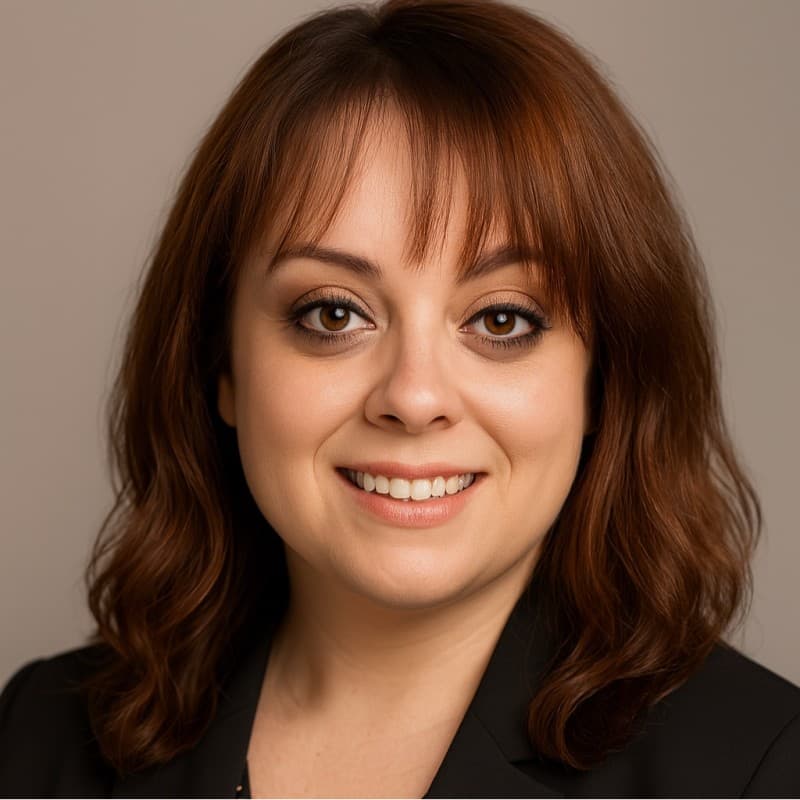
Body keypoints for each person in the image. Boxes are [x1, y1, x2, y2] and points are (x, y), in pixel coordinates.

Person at [1, 0, 798, 796]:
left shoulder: (761, 770)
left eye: (500, 318)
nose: (414, 398)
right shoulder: (38, 736)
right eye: (334, 313)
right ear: (222, 365)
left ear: (603, 381)